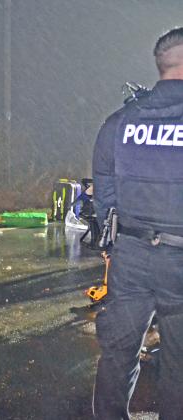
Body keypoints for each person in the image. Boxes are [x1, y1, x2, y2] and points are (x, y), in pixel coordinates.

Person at [92, 27, 183, 419]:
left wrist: (116, 246)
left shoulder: (120, 121)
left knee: (118, 354)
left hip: (130, 256)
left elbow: (104, 194)